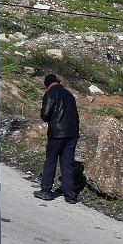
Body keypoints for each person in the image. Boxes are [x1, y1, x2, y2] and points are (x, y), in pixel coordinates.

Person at [34, 73, 80, 204]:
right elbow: (76, 116)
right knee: (67, 164)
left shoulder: (50, 94)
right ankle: (70, 196)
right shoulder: (70, 95)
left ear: (48, 85)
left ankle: (46, 191)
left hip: (57, 133)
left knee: (51, 161)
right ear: (58, 82)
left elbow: (45, 114)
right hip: (72, 133)